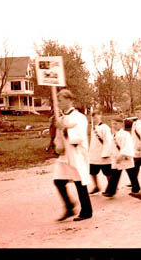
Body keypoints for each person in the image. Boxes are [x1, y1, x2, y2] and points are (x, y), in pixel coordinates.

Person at [52, 89, 92, 221]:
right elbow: (59, 136)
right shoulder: (62, 117)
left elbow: (79, 137)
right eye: (58, 101)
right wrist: (58, 144)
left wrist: (64, 129)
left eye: (61, 100)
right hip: (65, 155)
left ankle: (87, 211)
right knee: (58, 180)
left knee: (79, 182)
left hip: (76, 153)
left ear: (69, 100)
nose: (59, 103)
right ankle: (69, 206)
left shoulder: (79, 117)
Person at [103, 117, 134, 197]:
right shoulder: (114, 134)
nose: (113, 126)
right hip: (116, 157)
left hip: (124, 156)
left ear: (121, 124)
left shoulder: (125, 134)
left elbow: (127, 145)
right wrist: (110, 154)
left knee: (131, 174)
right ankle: (110, 191)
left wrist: (122, 155)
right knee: (115, 175)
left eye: (115, 124)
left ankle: (136, 188)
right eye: (112, 124)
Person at [87, 111, 113, 194]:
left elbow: (108, 140)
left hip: (103, 153)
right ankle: (96, 186)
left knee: (107, 172)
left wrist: (106, 153)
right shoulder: (93, 127)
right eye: (93, 117)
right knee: (92, 172)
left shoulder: (105, 127)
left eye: (96, 116)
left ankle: (111, 187)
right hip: (94, 154)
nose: (94, 118)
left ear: (100, 116)